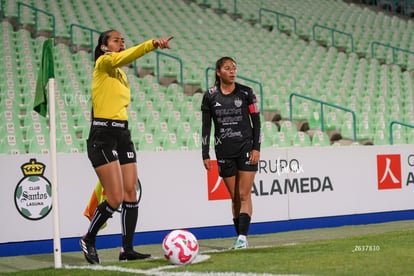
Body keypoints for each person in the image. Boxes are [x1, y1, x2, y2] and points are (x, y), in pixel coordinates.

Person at [80, 29, 173, 264]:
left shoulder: (120, 74)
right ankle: (88, 238)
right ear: (104, 46)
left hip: (122, 133)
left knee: (131, 193)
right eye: (115, 40)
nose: (121, 42)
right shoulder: (104, 62)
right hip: (102, 134)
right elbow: (124, 57)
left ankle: (127, 249)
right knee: (115, 197)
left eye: (123, 40)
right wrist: (152, 44)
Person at [201, 56, 261, 249]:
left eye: (234, 68)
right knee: (234, 197)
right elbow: (205, 127)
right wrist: (205, 153)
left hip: (246, 149)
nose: (233, 71)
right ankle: (240, 238)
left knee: (244, 194)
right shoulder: (210, 95)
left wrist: (256, 148)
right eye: (228, 68)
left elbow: (257, 122)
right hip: (224, 151)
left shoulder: (246, 93)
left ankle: (243, 237)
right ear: (218, 72)